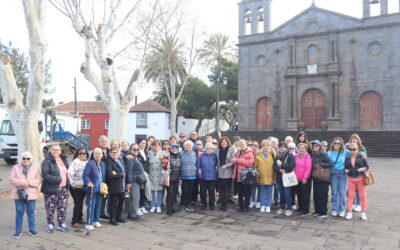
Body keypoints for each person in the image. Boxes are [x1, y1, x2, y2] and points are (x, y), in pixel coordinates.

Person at [9, 152, 41, 238]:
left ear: (31, 159)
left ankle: (32, 229)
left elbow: (38, 180)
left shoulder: (35, 168)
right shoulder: (15, 167)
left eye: (28, 158)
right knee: (19, 212)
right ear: (21, 159)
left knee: (31, 212)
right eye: (24, 158)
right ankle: (18, 231)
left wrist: (29, 183)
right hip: (19, 193)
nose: (26, 160)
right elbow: (11, 179)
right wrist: (23, 183)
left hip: (32, 194)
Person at [41, 144, 70, 232]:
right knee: (50, 207)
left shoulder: (63, 159)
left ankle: (61, 223)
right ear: (50, 150)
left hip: (64, 188)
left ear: (60, 151)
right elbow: (45, 175)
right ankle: (50, 224)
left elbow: (67, 172)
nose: (55, 151)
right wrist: (58, 179)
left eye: (57, 150)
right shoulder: (47, 161)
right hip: (51, 188)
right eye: (53, 149)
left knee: (62, 207)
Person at [82, 148, 106, 230]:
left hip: (100, 189)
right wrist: (88, 182)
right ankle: (89, 223)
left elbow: (103, 176)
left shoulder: (102, 164)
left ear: (102, 155)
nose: (98, 155)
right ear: (93, 154)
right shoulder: (90, 164)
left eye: (100, 153)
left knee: (98, 205)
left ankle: (96, 220)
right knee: (91, 206)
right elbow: (85, 175)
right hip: (92, 189)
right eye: (96, 153)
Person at [344, 143, 369, 221]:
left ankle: (363, 213)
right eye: (350, 149)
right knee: (350, 196)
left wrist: (363, 169)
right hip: (351, 179)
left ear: (357, 149)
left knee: (363, 196)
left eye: (354, 149)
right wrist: (346, 170)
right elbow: (345, 167)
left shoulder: (361, 156)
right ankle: (349, 212)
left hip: (360, 178)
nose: (352, 151)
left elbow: (367, 166)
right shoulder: (347, 158)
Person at [231, 139, 255, 212]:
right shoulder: (238, 152)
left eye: (243, 144)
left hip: (246, 175)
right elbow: (235, 162)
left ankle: (246, 207)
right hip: (238, 175)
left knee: (247, 192)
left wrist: (237, 160)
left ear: (246, 144)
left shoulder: (250, 152)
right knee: (240, 193)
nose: (242, 146)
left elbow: (250, 163)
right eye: (240, 145)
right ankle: (240, 206)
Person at [67, 147, 89, 228]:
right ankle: (74, 221)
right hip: (76, 187)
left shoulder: (87, 162)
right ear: (77, 154)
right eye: (80, 153)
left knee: (81, 203)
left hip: (84, 186)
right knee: (78, 203)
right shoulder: (75, 162)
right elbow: (69, 173)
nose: (82, 155)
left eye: (84, 153)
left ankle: (80, 218)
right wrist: (73, 184)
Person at [310, 140, 332, 218]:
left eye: (316, 145)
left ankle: (323, 212)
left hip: (323, 178)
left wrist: (320, 164)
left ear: (319, 146)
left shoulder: (323, 154)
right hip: (316, 177)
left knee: (322, 195)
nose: (314, 147)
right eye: (313, 145)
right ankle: (317, 211)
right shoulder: (313, 154)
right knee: (316, 195)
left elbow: (330, 163)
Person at [90, 135, 110, 221]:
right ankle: (95, 214)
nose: (104, 142)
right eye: (102, 141)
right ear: (99, 142)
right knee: (97, 196)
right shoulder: (96, 151)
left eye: (105, 141)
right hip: (99, 177)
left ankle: (102, 213)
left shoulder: (109, 151)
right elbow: (92, 164)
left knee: (105, 195)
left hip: (108, 177)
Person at [346, 133, 368, 212]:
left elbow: (365, 161)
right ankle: (351, 204)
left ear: (358, 140)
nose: (354, 140)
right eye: (353, 138)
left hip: (359, 174)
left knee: (359, 191)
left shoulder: (362, 148)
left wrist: (362, 154)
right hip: (351, 172)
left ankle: (358, 204)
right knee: (351, 191)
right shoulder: (348, 147)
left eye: (356, 138)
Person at [329, 137, 349, 218]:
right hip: (333, 174)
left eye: (339, 143)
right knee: (334, 193)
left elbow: (354, 154)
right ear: (333, 144)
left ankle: (342, 209)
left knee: (342, 193)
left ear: (341, 144)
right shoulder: (329, 153)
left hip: (343, 174)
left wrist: (362, 153)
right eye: (335, 143)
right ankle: (334, 209)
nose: (337, 145)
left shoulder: (345, 152)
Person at [124, 144, 145, 220]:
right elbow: (129, 171)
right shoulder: (131, 158)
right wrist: (129, 182)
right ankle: (133, 214)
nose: (136, 151)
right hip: (133, 181)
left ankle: (132, 213)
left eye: (137, 149)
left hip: (136, 180)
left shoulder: (134, 157)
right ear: (130, 150)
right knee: (135, 197)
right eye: (134, 149)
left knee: (134, 197)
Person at [106, 147, 126, 225]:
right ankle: (112, 219)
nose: (115, 154)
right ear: (110, 154)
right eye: (113, 152)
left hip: (122, 185)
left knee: (120, 202)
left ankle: (118, 216)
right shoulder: (109, 162)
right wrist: (121, 174)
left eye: (116, 152)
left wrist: (117, 173)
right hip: (114, 186)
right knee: (113, 203)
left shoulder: (120, 160)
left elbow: (124, 171)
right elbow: (110, 175)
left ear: (118, 153)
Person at [254, 140, 276, 213]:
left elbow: (275, 165)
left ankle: (268, 205)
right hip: (261, 176)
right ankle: (263, 205)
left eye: (267, 145)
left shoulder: (273, 154)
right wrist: (257, 175)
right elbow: (255, 166)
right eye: (264, 145)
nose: (266, 147)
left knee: (269, 192)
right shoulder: (258, 155)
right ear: (262, 146)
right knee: (262, 192)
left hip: (270, 176)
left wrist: (275, 177)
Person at [274, 142, 295, 216]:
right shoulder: (277, 155)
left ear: (286, 148)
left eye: (283, 147)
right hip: (279, 177)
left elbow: (291, 166)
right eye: (280, 147)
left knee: (287, 193)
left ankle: (289, 208)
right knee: (281, 194)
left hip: (287, 177)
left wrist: (282, 166)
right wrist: (279, 170)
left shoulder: (290, 155)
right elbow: (274, 166)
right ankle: (282, 207)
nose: (282, 149)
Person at [215, 137, 235, 211]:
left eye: (225, 142)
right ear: (220, 143)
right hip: (220, 172)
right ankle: (222, 203)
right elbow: (213, 156)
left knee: (226, 189)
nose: (224, 143)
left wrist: (227, 165)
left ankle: (225, 205)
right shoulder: (217, 149)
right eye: (222, 142)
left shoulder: (231, 149)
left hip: (228, 172)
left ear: (227, 142)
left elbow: (233, 161)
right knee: (221, 189)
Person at [196, 143, 218, 210]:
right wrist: (200, 175)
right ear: (205, 149)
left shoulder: (215, 156)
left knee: (211, 191)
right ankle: (203, 204)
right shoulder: (201, 156)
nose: (208, 149)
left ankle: (212, 204)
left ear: (212, 149)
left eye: (210, 148)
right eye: (207, 148)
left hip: (212, 177)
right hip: (203, 177)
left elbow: (217, 165)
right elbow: (197, 166)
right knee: (203, 192)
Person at [294, 143, 312, 216]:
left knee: (305, 195)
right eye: (300, 148)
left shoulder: (307, 156)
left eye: (302, 148)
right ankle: (300, 208)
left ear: (306, 149)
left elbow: (308, 168)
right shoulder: (295, 156)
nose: (301, 149)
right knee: (299, 194)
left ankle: (306, 210)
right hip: (296, 179)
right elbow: (294, 166)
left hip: (305, 179)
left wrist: (305, 178)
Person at [180, 140, 197, 212]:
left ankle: (188, 205)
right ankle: (183, 205)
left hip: (192, 175)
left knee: (190, 191)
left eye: (190, 145)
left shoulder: (194, 154)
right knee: (184, 191)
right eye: (187, 145)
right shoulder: (181, 153)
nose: (188, 146)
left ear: (192, 146)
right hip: (184, 175)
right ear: (184, 146)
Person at [148, 140, 164, 213]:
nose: (156, 146)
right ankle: (153, 205)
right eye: (154, 145)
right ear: (152, 146)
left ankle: (158, 206)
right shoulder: (149, 153)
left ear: (159, 146)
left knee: (160, 191)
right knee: (152, 191)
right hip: (151, 175)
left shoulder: (163, 153)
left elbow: (166, 165)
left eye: (157, 145)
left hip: (160, 174)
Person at [166, 144, 181, 215]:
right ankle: (168, 209)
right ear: (171, 149)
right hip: (169, 178)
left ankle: (172, 207)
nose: (175, 150)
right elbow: (163, 165)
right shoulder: (167, 156)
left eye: (176, 149)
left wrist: (180, 178)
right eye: (173, 149)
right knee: (170, 194)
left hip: (176, 178)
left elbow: (180, 168)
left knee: (174, 194)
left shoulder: (179, 156)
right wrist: (166, 166)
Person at [137, 139, 149, 215]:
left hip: (146, 175)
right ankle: (137, 207)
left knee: (144, 191)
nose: (143, 144)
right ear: (138, 143)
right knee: (138, 192)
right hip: (139, 175)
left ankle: (142, 206)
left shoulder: (146, 152)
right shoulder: (136, 152)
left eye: (145, 143)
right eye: (142, 143)